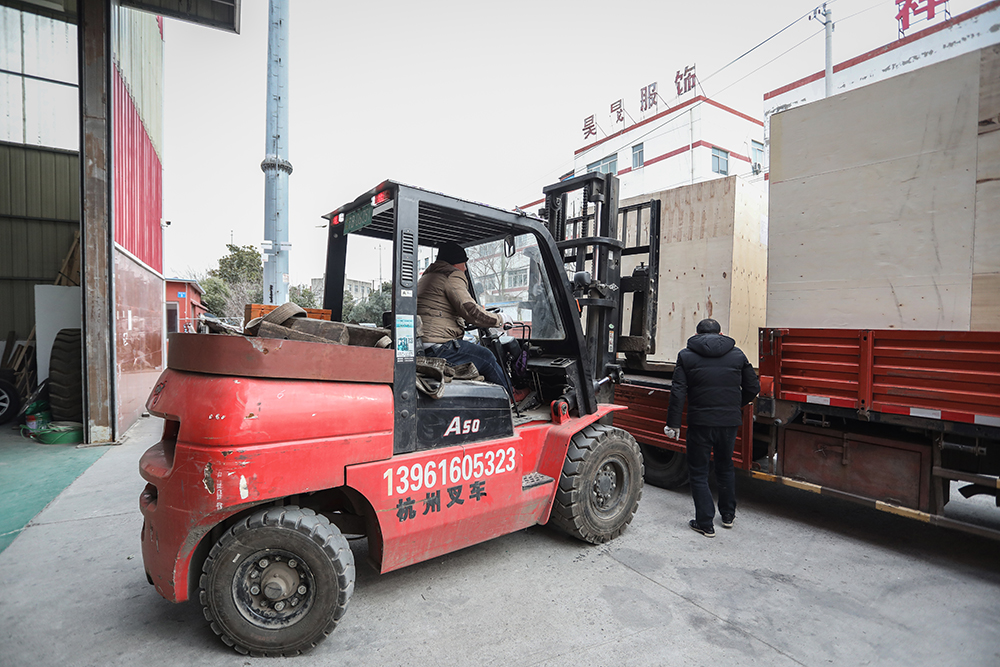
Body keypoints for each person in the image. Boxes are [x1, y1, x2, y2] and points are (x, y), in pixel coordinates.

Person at [664, 318, 759, 538]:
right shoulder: (737, 354)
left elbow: (678, 392)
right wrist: (734, 406)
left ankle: (705, 523)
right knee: (725, 467)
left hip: (700, 423)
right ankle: (728, 515)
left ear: (697, 335)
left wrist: (673, 423)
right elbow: (753, 387)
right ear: (721, 334)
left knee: (699, 472)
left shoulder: (686, 355)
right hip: (728, 422)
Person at [416, 241, 513, 399]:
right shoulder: (451, 275)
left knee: (474, 350)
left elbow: (443, 311)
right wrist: (500, 319)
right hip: (437, 347)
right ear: (456, 262)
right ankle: (511, 397)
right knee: (486, 356)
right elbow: (470, 310)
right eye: (464, 263)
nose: (466, 268)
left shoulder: (428, 276)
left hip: (422, 345)